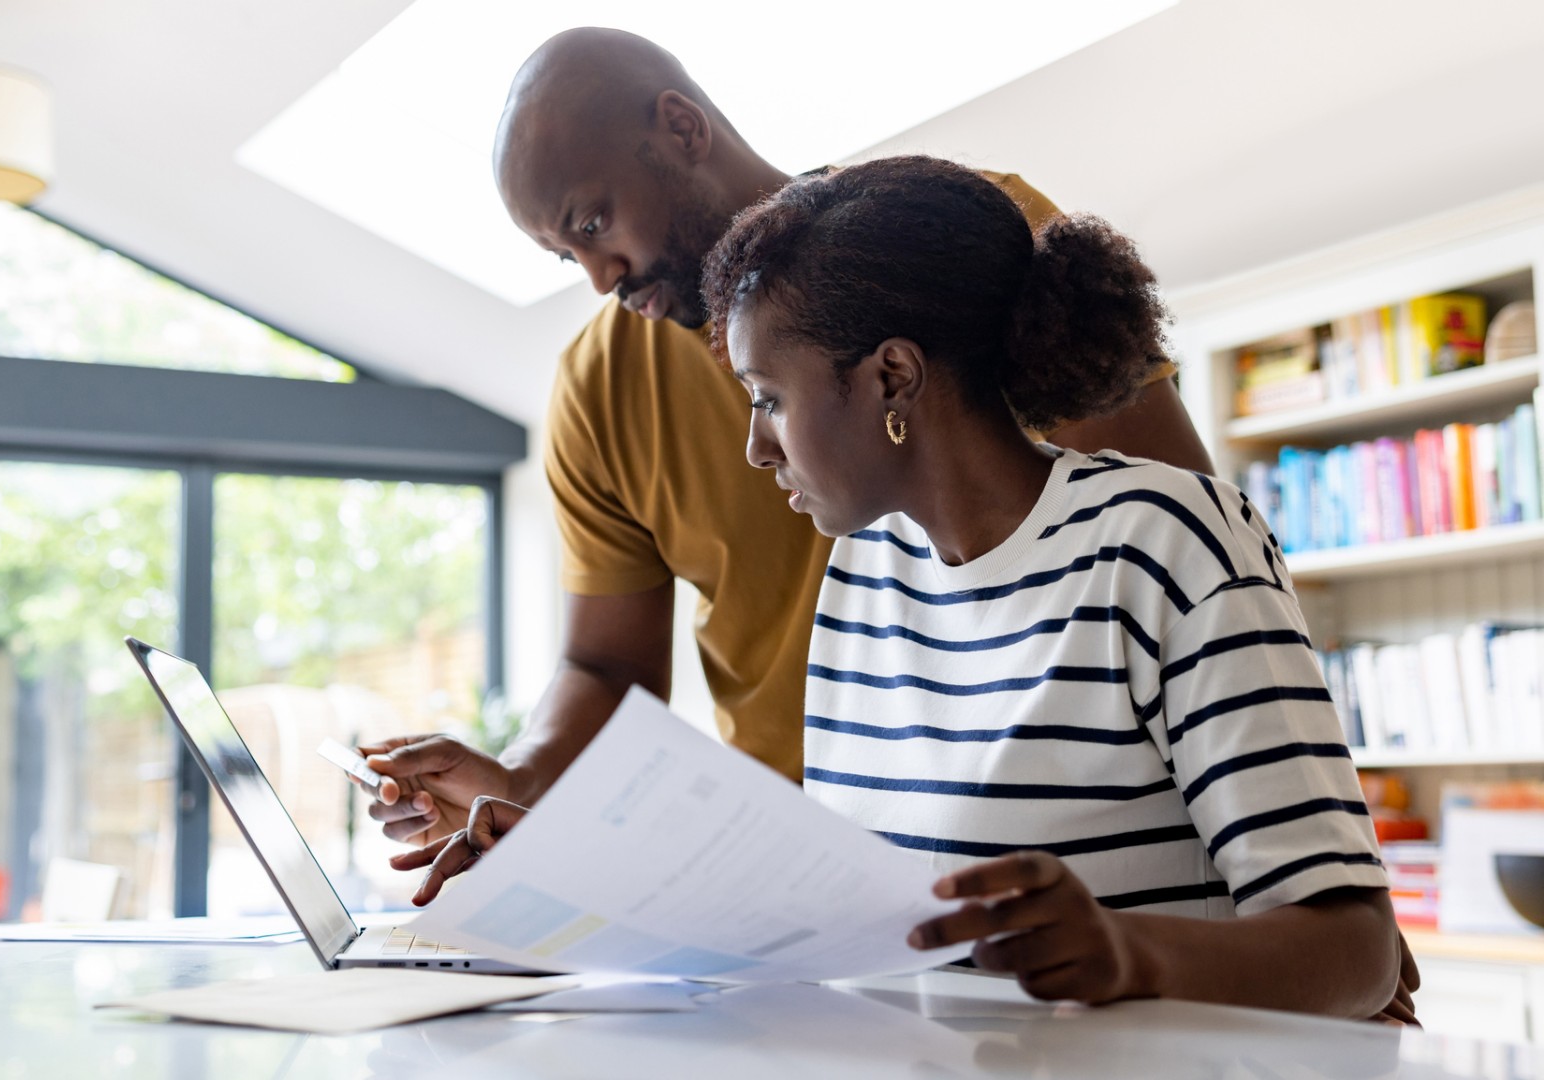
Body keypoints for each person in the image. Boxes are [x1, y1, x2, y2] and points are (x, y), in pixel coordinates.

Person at [393, 155, 1416, 1022]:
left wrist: (1124, 952)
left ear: (890, 380)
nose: (756, 446)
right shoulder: (865, 579)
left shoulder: (1167, 540)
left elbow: (1357, 953)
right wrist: (578, 875)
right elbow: (855, 917)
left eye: (771, 399)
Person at [358, 27, 1215, 848]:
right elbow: (606, 669)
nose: (597, 278)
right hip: (800, 862)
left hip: (1051, 818)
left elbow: (1179, 539)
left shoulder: (960, 244)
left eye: (591, 224)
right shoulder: (596, 387)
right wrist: (515, 780)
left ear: (682, 128)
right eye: (563, 256)